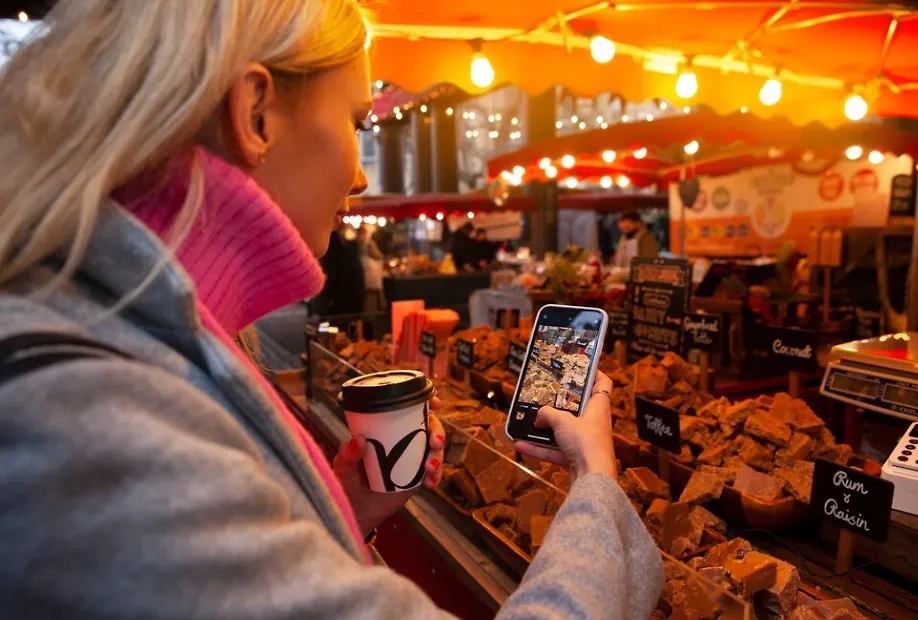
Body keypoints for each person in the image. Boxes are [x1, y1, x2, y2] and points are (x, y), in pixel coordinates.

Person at [0, 1, 662, 618]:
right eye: (354, 122)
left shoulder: (118, 332)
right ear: (256, 112)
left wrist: (328, 511)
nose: (360, 177)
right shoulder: (90, 423)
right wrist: (597, 484)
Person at [312, 222, 366, 316]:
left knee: (335, 323)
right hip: (350, 296)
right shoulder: (348, 247)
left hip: (340, 297)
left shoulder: (333, 248)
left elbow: (331, 274)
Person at [357, 225, 386, 313]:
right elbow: (378, 255)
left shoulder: (354, 242)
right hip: (370, 276)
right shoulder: (368, 243)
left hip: (361, 277)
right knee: (372, 302)